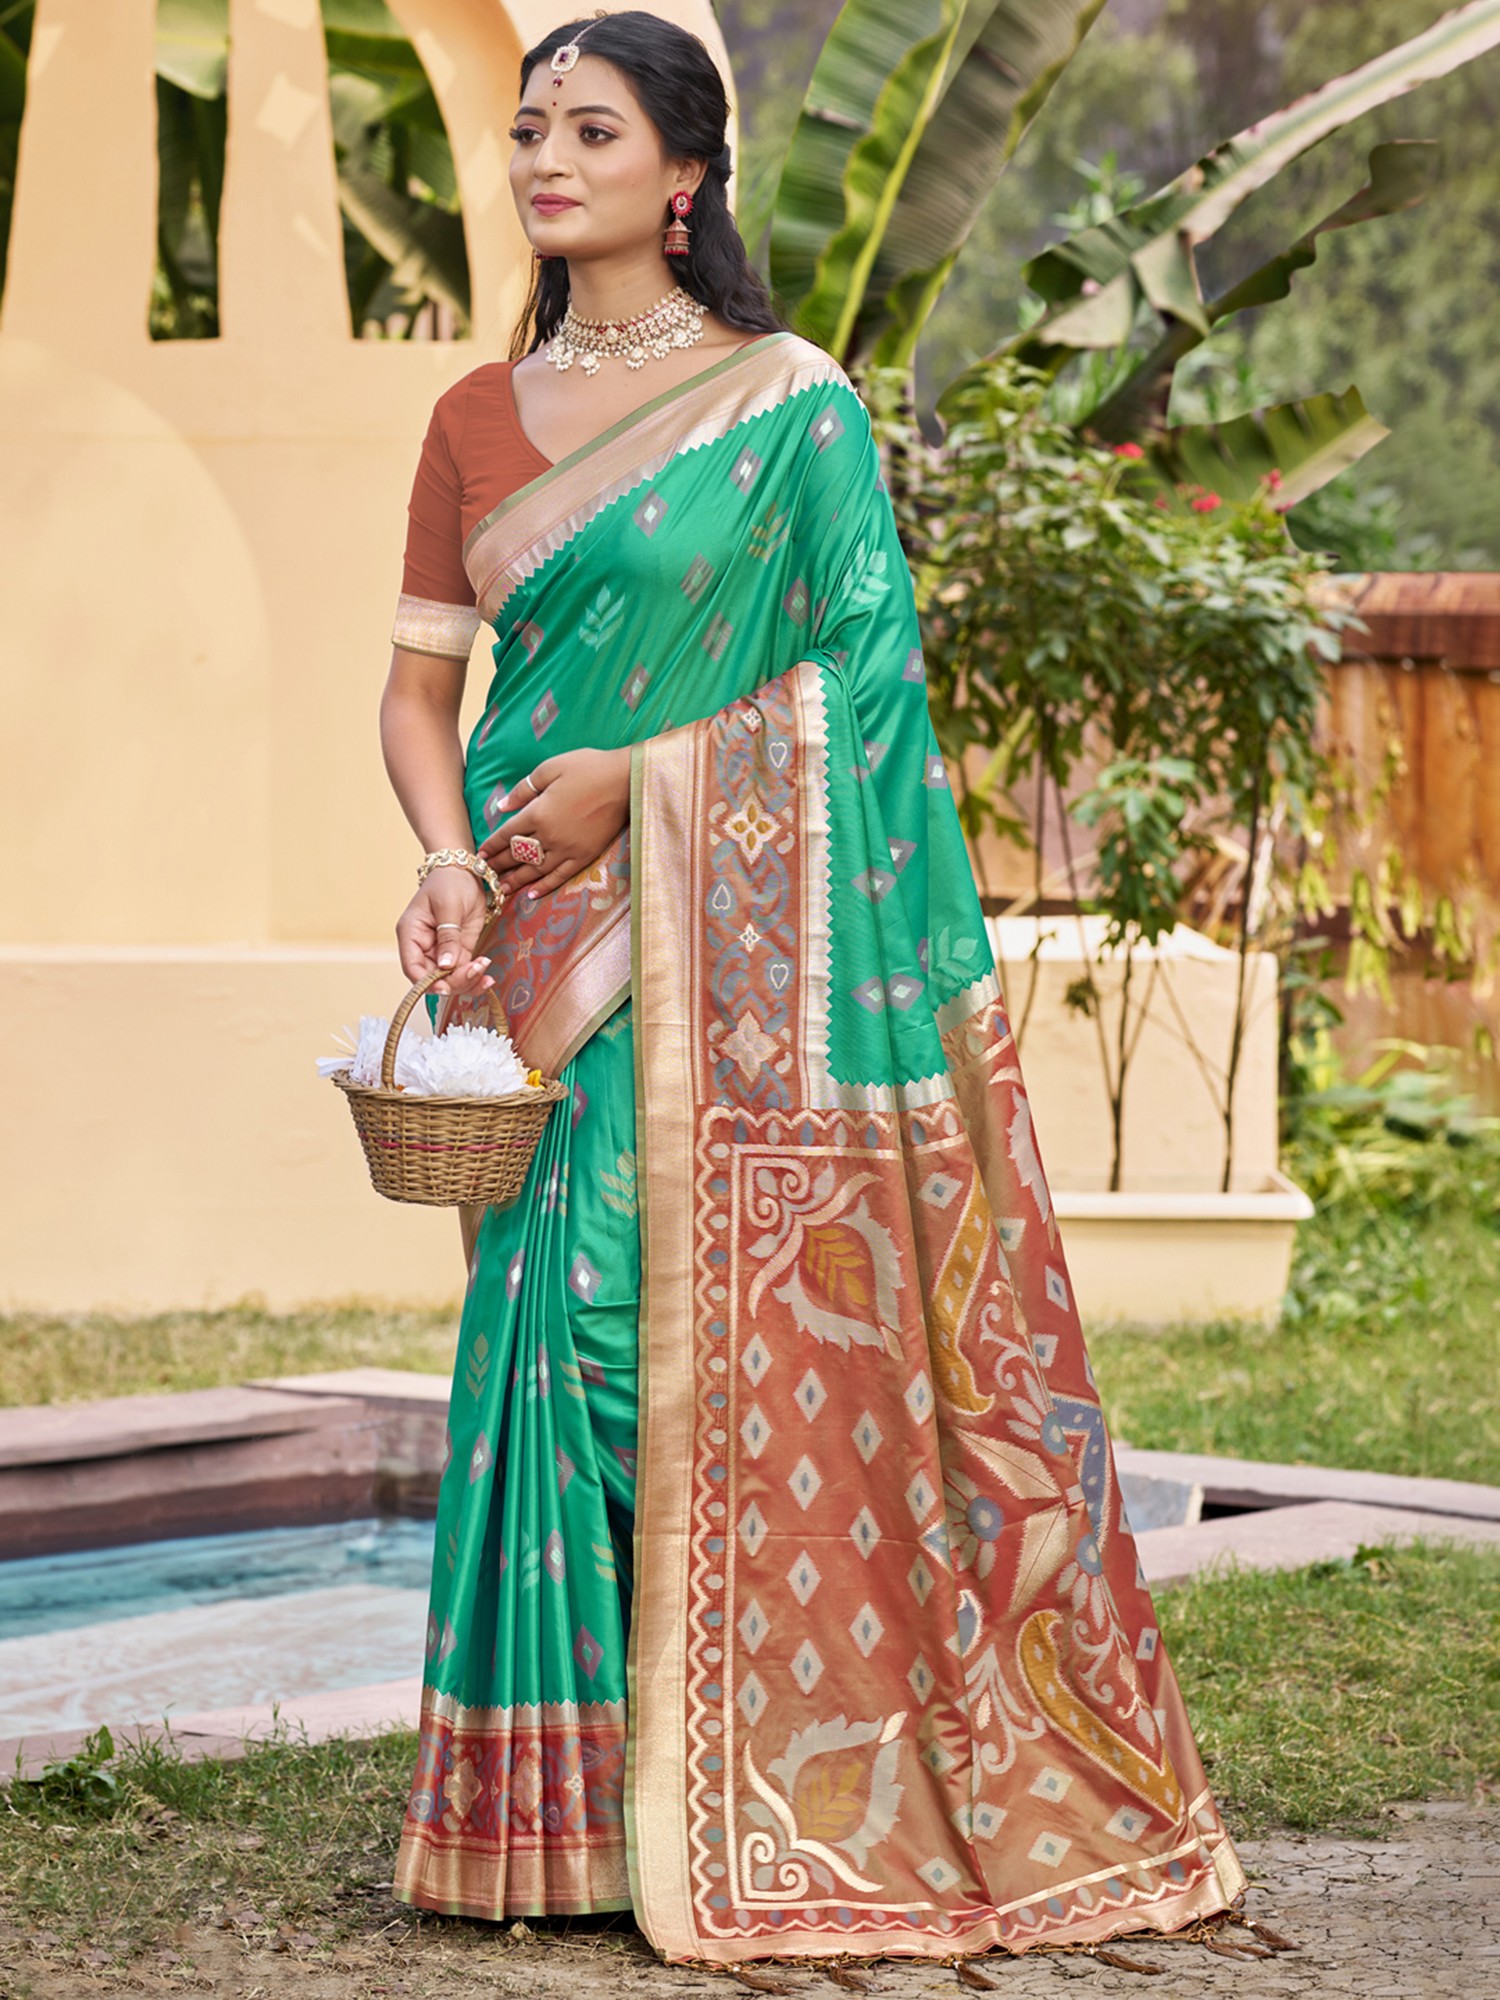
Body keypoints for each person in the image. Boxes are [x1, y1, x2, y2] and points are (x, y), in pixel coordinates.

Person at [377, 9, 1245, 1972]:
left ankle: (745, 1775)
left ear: (685, 175)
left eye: (591, 131)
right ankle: (562, 1816)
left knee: (621, 1343)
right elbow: (421, 693)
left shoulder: (793, 408)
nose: (544, 160)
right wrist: (445, 854)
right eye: (529, 129)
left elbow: (866, 684)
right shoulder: (474, 418)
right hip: (537, 956)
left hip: (720, 955)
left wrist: (644, 781)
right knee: (539, 1341)